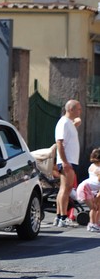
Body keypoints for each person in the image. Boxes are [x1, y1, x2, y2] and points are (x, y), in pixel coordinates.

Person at [54, 99, 82, 227]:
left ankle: (59, 216)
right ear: (71, 109)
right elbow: (59, 142)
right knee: (66, 189)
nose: (80, 111)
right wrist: (65, 161)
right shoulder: (64, 123)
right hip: (67, 161)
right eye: (78, 109)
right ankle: (63, 217)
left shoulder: (68, 123)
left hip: (69, 160)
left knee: (64, 189)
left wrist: (75, 124)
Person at [76, 147, 100, 232]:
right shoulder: (97, 168)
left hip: (87, 188)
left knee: (97, 207)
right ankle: (92, 224)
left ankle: (95, 223)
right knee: (94, 207)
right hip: (85, 188)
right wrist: (96, 199)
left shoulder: (92, 166)